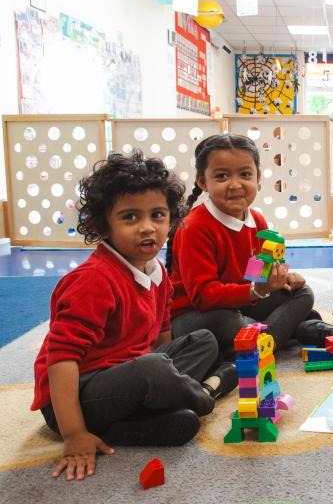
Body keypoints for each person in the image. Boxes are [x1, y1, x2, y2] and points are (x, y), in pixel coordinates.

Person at [31, 151, 232, 481]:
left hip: (129, 372)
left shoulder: (156, 271)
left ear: (171, 219)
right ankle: (205, 397)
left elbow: (161, 333)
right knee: (154, 369)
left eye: (157, 215)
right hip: (75, 397)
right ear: (102, 225)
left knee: (202, 342)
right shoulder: (93, 280)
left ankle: (140, 420)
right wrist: (73, 434)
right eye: (130, 217)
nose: (147, 228)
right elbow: (61, 359)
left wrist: (166, 366)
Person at [167, 134, 333, 359]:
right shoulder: (194, 227)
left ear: (258, 178)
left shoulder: (256, 220)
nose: (235, 184)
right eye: (221, 176)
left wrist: (282, 278)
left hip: (244, 302)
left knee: (302, 293)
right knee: (226, 320)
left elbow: (259, 271)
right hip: (199, 314)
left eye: (245, 174)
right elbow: (204, 296)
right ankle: (281, 334)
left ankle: (261, 338)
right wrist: (256, 290)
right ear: (202, 182)